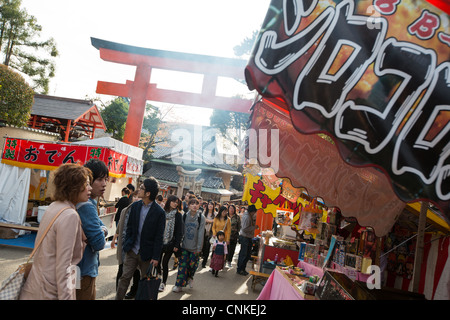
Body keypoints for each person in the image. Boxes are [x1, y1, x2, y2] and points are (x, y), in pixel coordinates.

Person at [20, 163, 92, 300]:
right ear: (74, 187)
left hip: (37, 281)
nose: (90, 188)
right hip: (51, 289)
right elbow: (64, 265)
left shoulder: (55, 206)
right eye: (86, 184)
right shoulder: (70, 215)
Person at [115, 177, 166, 300]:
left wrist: (155, 257)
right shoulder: (135, 206)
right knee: (124, 278)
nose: (139, 190)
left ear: (148, 193)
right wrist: (127, 244)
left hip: (147, 254)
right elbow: (130, 227)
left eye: (142, 188)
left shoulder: (159, 212)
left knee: (145, 282)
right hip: (132, 250)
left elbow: (159, 237)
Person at [76, 158, 109, 300]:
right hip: (84, 270)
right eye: (100, 179)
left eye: (106, 179)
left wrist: (102, 229)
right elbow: (99, 243)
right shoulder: (86, 205)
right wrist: (103, 230)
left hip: (78, 269)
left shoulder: (86, 202)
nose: (104, 184)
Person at [110, 192, 140, 299]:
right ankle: (119, 293)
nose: (136, 199)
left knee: (136, 272)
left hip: (136, 248)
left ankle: (134, 290)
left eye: (139, 197)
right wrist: (114, 239)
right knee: (121, 270)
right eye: (134, 197)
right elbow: (119, 228)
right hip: (124, 247)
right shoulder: (125, 210)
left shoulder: (142, 212)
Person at [172, 197, 205, 293]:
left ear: (199, 205)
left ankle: (190, 277)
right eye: (192, 203)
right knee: (182, 266)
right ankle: (179, 285)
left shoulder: (201, 217)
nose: (194, 205)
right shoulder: (185, 216)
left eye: (196, 203)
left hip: (195, 248)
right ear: (189, 205)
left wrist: (199, 247)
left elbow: (201, 233)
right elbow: (180, 231)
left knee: (192, 266)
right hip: (185, 246)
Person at [157, 195, 183, 292]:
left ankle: (163, 283)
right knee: (157, 262)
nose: (175, 204)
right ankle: (158, 278)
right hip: (160, 241)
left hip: (170, 242)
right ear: (169, 201)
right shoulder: (162, 212)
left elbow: (179, 231)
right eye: (173, 201)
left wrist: (177, 244)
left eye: (177, 202)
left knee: (165, 263)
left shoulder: (178, 215)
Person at [236, 205, 258, 276]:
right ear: (252, 211)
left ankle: (242, 268)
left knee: (247, 254)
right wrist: (254, 227)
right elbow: (245, 228)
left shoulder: (249, 216)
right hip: (245, 237)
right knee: (243, 254)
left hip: (248, 237)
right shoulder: (247, 217)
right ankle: (240, 269)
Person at [201, 201, 216, 268]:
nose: (210, 205)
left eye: (212, 204)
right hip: (203, 231)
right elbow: (203, 220)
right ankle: (202, 257)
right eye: (209, 204)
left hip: (210, 232)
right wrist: (211, 221)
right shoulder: (204, 212)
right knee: (203, 246)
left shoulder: (215, 214)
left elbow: (215, 221)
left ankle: (204, 262)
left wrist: (208, 221)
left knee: (207, 247)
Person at [226, 204, 241, 268]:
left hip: (233, 236)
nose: (231, 210)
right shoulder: (225, 216)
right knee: (225, 249)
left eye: (232, 208)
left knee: (231, 250)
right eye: (230, 208)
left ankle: (229, 261)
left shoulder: (237, 217)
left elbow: (239, 227)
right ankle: (223, 261)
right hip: (225, 236)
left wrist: (237, 233)